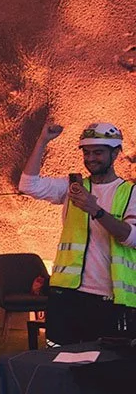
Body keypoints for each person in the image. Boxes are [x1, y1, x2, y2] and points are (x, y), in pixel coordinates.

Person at [19, 122, 136, 346]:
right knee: (60, 365)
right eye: (87, 152)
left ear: (115, 153)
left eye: (98, 152)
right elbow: (28, 185)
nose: (91, 158)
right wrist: (42, 141)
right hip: (67, 294)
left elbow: (132, 238)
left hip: (110, 297)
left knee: (105, 370)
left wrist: (96, 210)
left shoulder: (131, 192)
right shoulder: (72, 186)